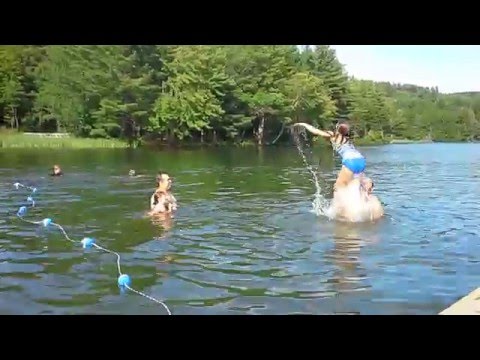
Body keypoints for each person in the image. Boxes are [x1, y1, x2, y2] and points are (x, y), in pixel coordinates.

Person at [293, 121, 366, 191]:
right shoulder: (347, 139)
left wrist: (303, 124)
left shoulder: (334, 135)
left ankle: (343, 203)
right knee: (357, 185)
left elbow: (315, 131)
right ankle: (366, 198)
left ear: (337, 127)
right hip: (361, 160)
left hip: (350, 161)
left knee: (338, 188)